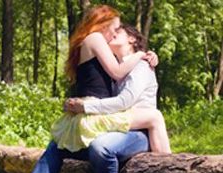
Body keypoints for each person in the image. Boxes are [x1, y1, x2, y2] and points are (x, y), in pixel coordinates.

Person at [0, 5, 157, 173]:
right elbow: (117, 73)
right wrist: (141, 54)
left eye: (119, 31)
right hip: (101, 115)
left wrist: (143, 55)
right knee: (56, 148)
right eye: (114, 27)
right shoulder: (96, 39)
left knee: (74, 148)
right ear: (103, 24)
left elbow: (121, 88)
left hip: (122, 122)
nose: (114, 33)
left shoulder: (129, 61)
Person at [53, 24, 172, 154]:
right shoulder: (115, 70)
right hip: (119, 126)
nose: (112, 34)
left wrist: (85, 106)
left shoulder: (141, 65)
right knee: (63, 142)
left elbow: (124, 102)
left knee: (100, 147)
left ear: (131, 39)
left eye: (118, 31)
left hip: (139, 131)